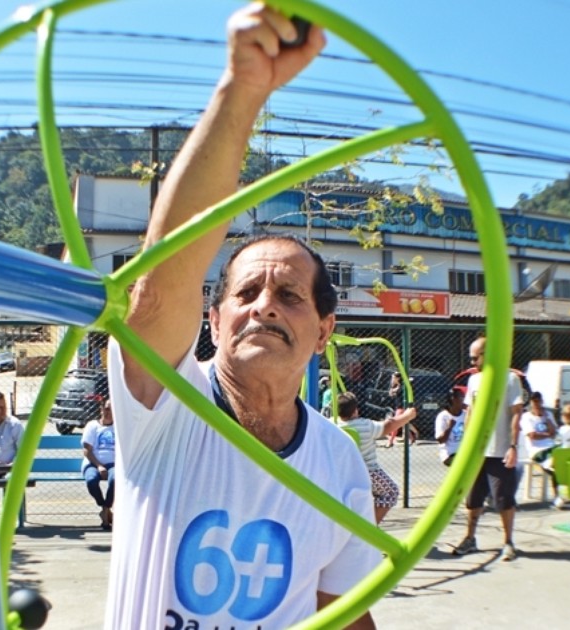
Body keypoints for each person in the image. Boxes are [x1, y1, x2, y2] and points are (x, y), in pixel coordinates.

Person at [106, 8, 378, 627]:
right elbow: (159, 284)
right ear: (214, 318)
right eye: (247, 291)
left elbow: (339, 609)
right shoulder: (167, 404)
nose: (263, 306)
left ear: (324, 331)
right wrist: (243, 89)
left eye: (289, 296)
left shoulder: (336, 459)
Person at [453, 336, 525, 560]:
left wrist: (512, 447)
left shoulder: (510, 379)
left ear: (488, 353)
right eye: (471, 358)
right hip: (477, 452)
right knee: (473, 499)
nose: (472, 362)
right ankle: (470, 538)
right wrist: (466, 445)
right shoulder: (474, 380)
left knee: (503, 499)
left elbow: (516, 415)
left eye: (476, 357)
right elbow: (470, 413)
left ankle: (508, 542)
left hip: (499, 450)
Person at [334, 392, 417, 524]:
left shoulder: (333, 426)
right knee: (390, 492)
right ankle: (369, 525)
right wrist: (408, 416)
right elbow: (388, 426)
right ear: (356, 410)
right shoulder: (365, 426)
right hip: (368, 472)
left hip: (342, 473)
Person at [519, 391, 561, 507]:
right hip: (536, 449)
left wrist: (547, 419)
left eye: (538, 401)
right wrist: (548, 434)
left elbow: (554, 431)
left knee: (564, 457)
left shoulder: (548, 414)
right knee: (553, 467)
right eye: (534, 401)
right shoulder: (526, 417)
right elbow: (532, 436)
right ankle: (558, 495)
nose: (537, 404)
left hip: (551, 446)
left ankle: (569, 493)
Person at [81, 399, 117, 531]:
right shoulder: (92, 426)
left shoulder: (119, 427)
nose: (109, 413)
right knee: (91, 480)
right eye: (106, 409)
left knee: (115, 479)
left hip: (113, 464)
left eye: (112, 410)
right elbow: (87, 451)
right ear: (101, 409)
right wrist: (99, 466)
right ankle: (104, 507)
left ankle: (106, 509)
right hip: (92, 462)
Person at [0, 391, 23, 467]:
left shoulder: (15, 424)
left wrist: (11, 465)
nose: (4, 410)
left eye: (4, 406)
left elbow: (23, 451)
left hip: (10, 471)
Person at [435, 389, 467, 467]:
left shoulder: (465, 415)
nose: (464, 400)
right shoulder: (443, 416)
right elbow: (441, 440)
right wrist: (449, 427)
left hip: (465, 451)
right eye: (461, 397)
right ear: (453, 399)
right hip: (450, 454)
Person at [384, 372, 414, 448]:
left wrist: (394, 390)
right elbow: (391, 394)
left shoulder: (403, 385)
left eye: (393, 377)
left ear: (398, 378)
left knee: (395, 424)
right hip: (398, 406)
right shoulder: (397, 385)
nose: (392, 379)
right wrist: (392, 387)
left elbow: (396, 392)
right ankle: (413, 437)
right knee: (404, 423)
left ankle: (390, 442)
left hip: (401, 407)